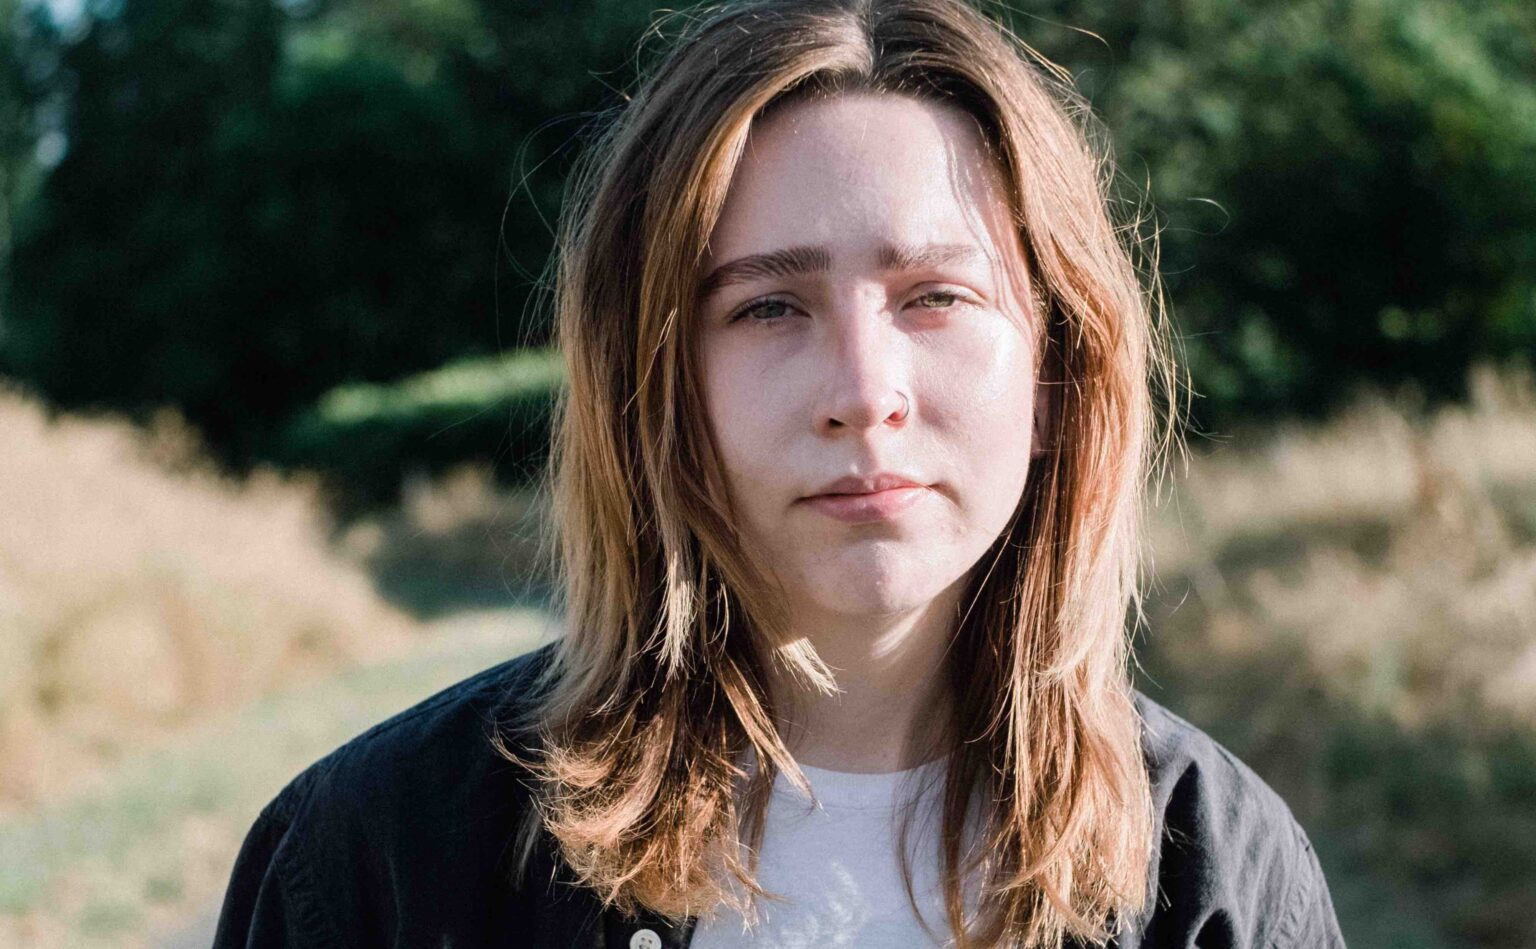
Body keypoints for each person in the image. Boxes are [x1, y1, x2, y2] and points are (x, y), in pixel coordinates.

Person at [212, 0, 1347, 946]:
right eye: (768, 307)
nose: (862, 389)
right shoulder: (373, 859)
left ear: (1056, 375)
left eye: (936, 296)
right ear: (658, 390)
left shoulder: (1222, 877)